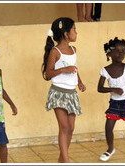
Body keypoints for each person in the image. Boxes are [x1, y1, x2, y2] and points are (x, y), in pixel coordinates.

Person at [42, 17, 86, 163]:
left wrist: (79, 81)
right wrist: (63, 69)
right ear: (66, 34)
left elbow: (74, 67)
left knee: (71, 127)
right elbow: (48, 74)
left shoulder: (74, 49)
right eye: (74, 29)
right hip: (58, 92)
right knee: (64, 126)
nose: (76, 33)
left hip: (71, 93)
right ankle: (66, 161)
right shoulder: (55, 51)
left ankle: (62, 159)